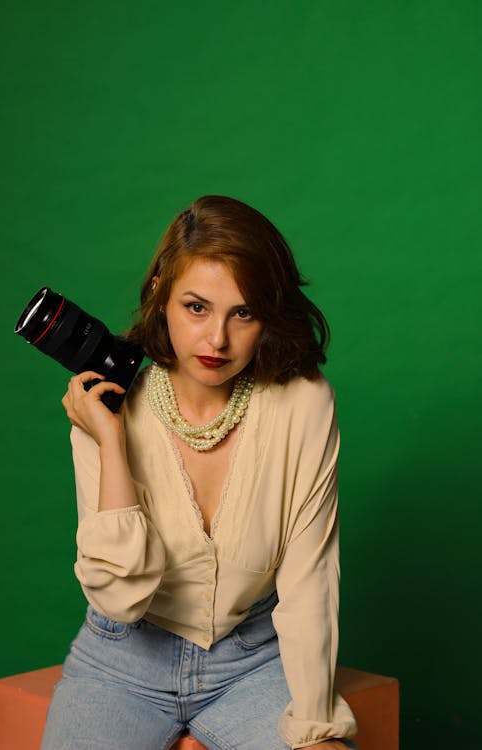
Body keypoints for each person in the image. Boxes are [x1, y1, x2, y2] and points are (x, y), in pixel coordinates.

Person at [41, 195, 359, 750]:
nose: (217, 340)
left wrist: (315, 725)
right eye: (196, 307)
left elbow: (311, 577)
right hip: (122, 661)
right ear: (161, 290)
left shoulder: (303, 403)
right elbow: (118, 596)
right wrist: (112, 442)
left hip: (253, 661)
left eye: (243, 313)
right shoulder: (105, 403)